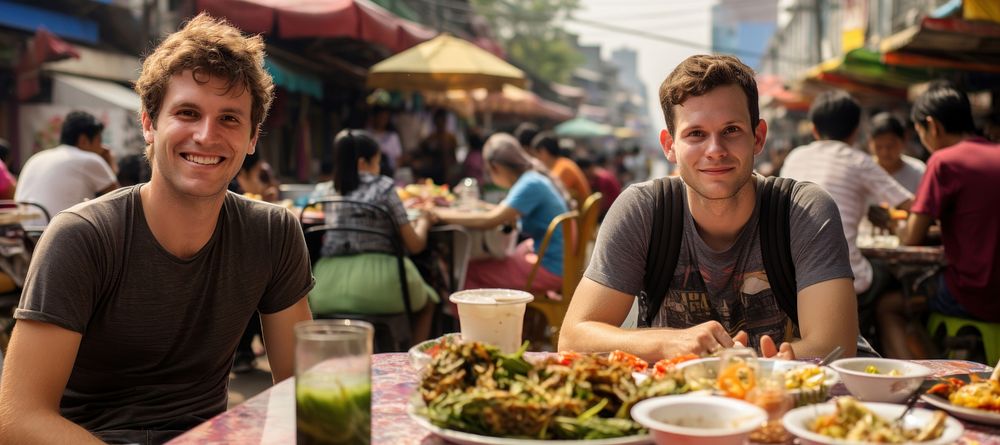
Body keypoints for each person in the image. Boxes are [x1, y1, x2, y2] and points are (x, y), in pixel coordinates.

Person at [0, 14, 314, 444]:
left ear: (252, 138)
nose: (206, 135)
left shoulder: (274, 232)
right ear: (149, 124)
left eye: (229, 119)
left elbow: (301, 389)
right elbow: (17, 418)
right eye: (187, 112)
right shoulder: (82, 236)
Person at [560, 55, 860, 362]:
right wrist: (669, 343)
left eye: (731, 130)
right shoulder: (643, 211)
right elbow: (574, 336)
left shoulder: (803, 210)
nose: (715, 151)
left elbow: (834, 346)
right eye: (696, 134)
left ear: (757, 137)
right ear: (669, 146)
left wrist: (743, 366)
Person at [780, 90, 913, 356]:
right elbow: (912, 205)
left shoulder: (795, 157)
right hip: (845, 278)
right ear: (856, 131)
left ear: (815, 129)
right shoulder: (858, 160)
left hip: (789, 276)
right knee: (894, 286)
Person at [883, 85, 1000, 357]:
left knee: (888, 306)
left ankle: (922, 381)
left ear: (932, 126)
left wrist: (893, 225)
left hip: (973, 292)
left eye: (920, 132)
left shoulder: (944, 161)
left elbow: (911, 236)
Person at [308, 129, 439, 342]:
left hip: (325, 284)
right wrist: (424, 221)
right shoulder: (385, 187)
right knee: (429, 303)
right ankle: (411, 363)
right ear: (363, 163)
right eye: (377, 162)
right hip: (382, 282)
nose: (379, 169)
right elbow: (415, 245)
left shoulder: (325, 191)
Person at [429, 133, 569, 294]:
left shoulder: (529, 184)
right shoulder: (532, 179)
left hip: (550, 268)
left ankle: (472, 319)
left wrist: (437, 214)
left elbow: (490, 220)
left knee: (467, 271)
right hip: (557, 261)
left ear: (494, 167)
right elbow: (502, 211)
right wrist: (476, 205)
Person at [14, 111, 119, 216]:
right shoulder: (90, 159)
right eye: (99, 140)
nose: (102, 146)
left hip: (25, 229)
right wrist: (111, 163)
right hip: (59, 229)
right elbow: (118, 201)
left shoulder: (35, 158)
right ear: (83, 140)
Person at [867, 112, 925, 194]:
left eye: (890, 146)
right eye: (878, 147)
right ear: (869, 143)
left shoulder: (918, 171)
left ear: (904, 141)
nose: (885, 152)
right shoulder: (862, 171)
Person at [530, 131, 591, 208]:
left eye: (535, 154)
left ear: (543, 151)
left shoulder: (562, 169)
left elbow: (552, 194)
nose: (535, 159)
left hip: (576, 216)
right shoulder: (564, 163)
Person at [411, 109, 457, 185]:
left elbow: (453, 158)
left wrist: (451, 172)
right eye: (438, 121)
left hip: (446, 174)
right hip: (432, 174)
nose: (440, 124)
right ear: (435, 122)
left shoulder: (451, 139)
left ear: (445, 121)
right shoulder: (430, 139)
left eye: (442, 121)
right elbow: (422, 155)